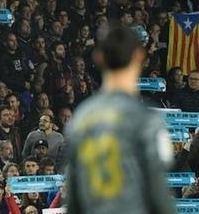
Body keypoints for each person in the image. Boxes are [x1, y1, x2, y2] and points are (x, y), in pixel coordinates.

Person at [65, 26, 175, 213]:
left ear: (99, 57)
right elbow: (158, 195)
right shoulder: (146, 120)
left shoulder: (80, 119)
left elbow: (74, 200)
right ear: (140, 56)